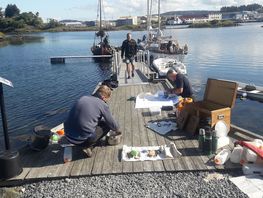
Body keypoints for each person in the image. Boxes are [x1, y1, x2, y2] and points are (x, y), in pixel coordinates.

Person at [64, 85, 120, 157]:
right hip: (83, 141)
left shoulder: (83, 98)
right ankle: (88, 146)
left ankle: (84, 142)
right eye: (106, 100)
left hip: (68, 137)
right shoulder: (102, 104)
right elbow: (113, 125)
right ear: (103, 97)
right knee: (107, 124)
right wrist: (118, 131)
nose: (106, 102)